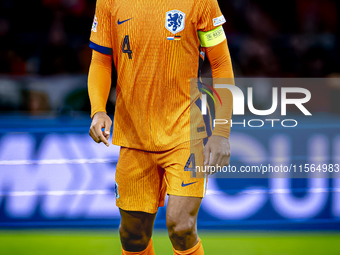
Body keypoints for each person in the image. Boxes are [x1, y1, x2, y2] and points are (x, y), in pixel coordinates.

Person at [87, 0, 234, 254]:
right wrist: (98, 110)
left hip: (184, 132)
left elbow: (221, 64)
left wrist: (221, 132)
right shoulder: (109, 2)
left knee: (181, 227)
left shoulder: (202, 2)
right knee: (132, 235)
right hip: (134, 135)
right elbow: (101, 60)